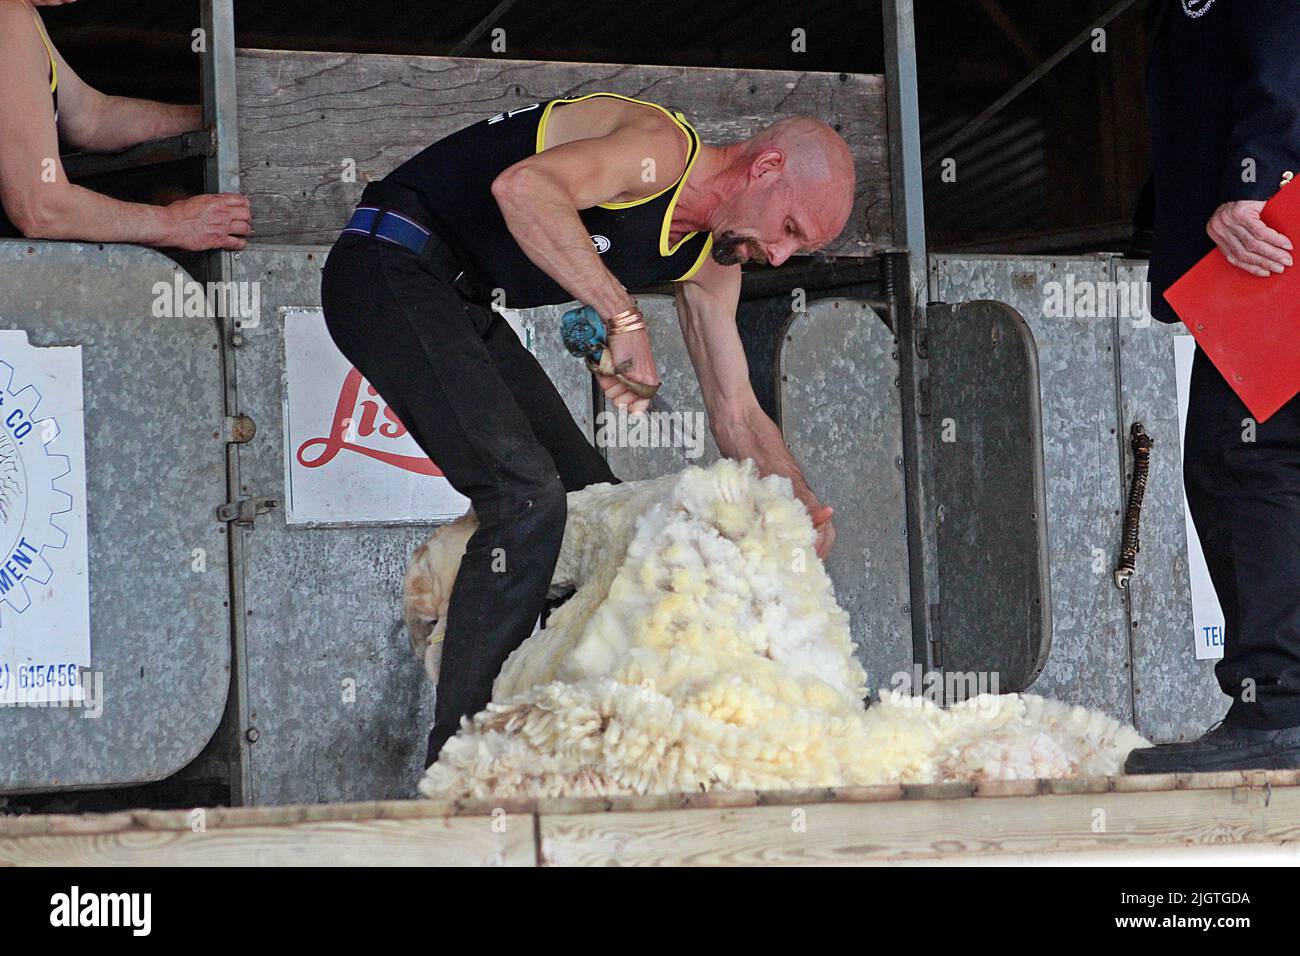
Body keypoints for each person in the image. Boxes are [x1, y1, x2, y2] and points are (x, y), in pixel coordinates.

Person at [320, 91, 855, 764]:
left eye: (796, 248)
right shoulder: (661, 152)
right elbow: (523, 189)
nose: (779, 257)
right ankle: (462, 759)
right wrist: (621, 315)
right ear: (766, 166)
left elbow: (737, 410)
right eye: (789, 228)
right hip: (384, 261)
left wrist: (792, 498)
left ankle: (568, 736)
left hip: (455, 297)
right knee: (525, 496)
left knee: (591, 508)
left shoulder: (710, 262)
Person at [1125, 0, 1300, 773]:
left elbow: (1284, 41)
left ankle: (1281, 705)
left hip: (1271, 231)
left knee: (1244, 459)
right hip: (1270, 220)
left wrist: (1259, 172)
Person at [0, 0, 250, 251]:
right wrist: (174, 223)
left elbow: (93, 119)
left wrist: (219, 117)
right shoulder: (7, 17)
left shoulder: (22, 17)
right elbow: (43, 208)